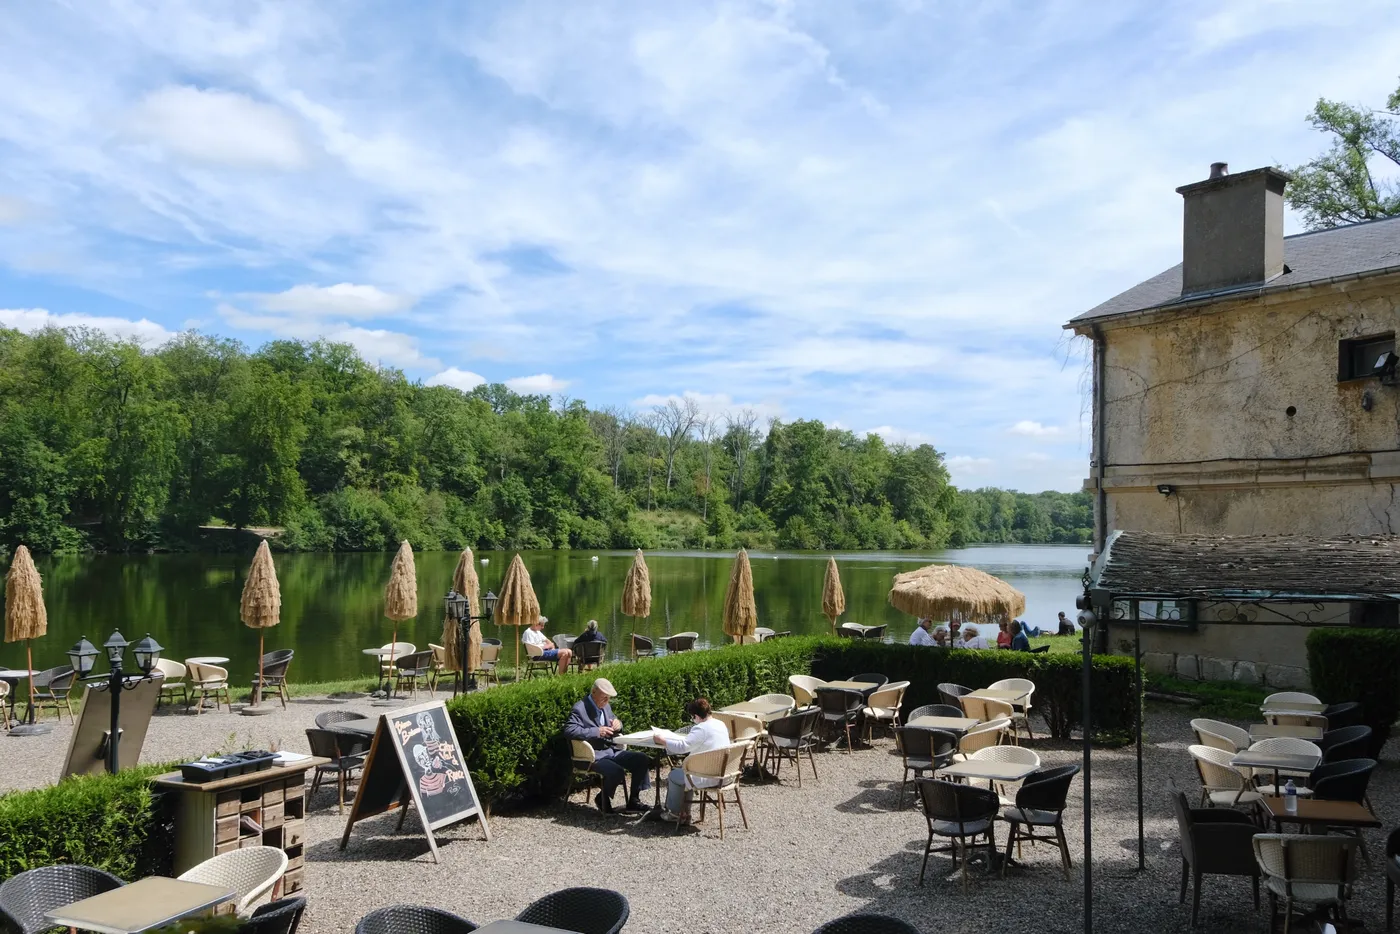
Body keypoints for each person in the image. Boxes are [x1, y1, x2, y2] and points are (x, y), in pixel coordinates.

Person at [564, 678, 650, 814]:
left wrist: (618, 724)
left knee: (641, 759)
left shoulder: (605, 705)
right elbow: (569, 730)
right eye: (604, 697)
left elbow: (615, 721)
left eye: (608, 698)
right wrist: (597, 731)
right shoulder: (579, 708)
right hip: (593, 755)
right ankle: (602, 798)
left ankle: (634, 800)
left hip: (611, 750)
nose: (607, 701)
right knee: (616, 771)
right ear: (593, 692)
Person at [655, 698, 730, 824]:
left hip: (707, 775)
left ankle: (675, 813)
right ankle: (685, 813)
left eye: (692, 718)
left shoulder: (701, 728)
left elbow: (682, 747)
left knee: (674, 775)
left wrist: (662, 741)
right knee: (686, 773)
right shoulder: (720, 724)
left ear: (696, 716)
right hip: (725, 773)